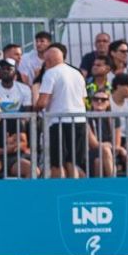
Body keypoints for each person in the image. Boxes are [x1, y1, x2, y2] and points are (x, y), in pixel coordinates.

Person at [35, 41, 89, 177]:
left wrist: (34, 109)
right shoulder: (77, 73)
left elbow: (42, 102)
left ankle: (60, 191)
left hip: (59, 122)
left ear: (49, 60)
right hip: (79, 120)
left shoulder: (51, 73)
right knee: (73, 161)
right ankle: (74, 189)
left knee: (57, 162)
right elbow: (83, 100)